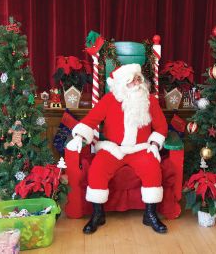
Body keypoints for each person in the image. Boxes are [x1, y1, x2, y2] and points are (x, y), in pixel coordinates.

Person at [66, 63, 168, 234]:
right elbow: (91, 120)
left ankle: (150, 214)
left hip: (140, 148)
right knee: (97, 168)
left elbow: (161, 127)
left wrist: (155, 144)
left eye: (138, 79)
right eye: (132, 80)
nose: (137, 83)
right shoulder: (109, 100)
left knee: (152, 168)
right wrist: (79, 136)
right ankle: (98, 214)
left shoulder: (149, 100)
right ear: (122, 84)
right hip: (113, 149)